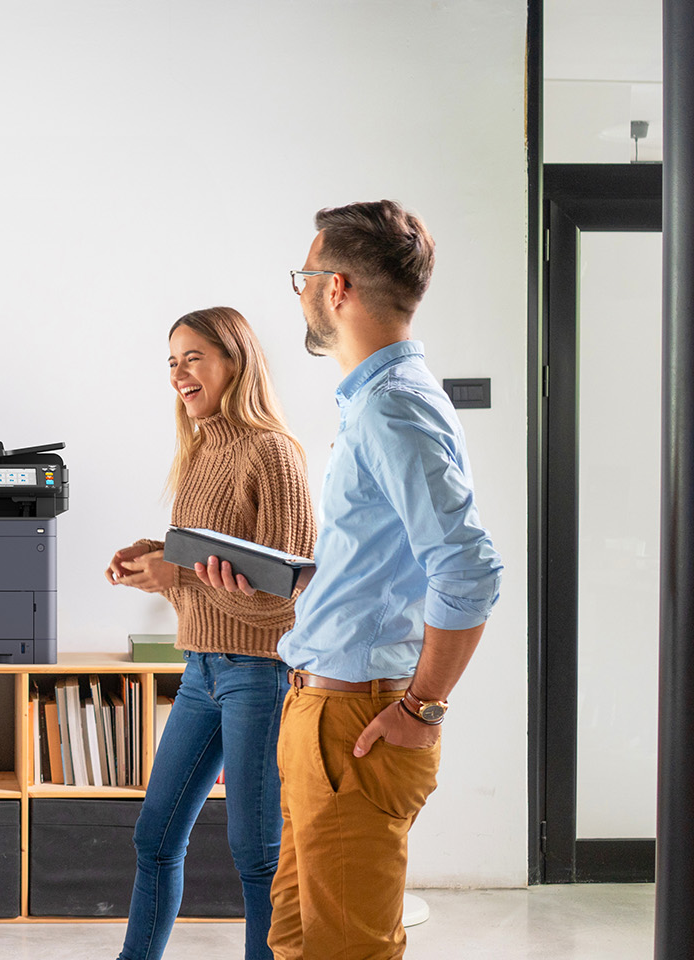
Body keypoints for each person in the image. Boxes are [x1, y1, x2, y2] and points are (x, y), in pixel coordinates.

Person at [230, 200, 502, 958]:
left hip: (358, 725)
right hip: (320, 712)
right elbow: (387, 570)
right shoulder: (376, 404)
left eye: (305, 277)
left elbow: (468, 569)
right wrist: (281, 581)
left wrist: (424, 706)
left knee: (346, 949)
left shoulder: (393, 409)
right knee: (295, 937)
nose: (300, 293)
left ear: (337, 286)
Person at [105, 307, 316, 960]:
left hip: (260, 672)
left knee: (256, 856)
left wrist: (180, 573)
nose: (178, 374)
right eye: (172, 362)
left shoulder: (273, 453)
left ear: (236, 360)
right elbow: (204, 557)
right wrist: (153, 557)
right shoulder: (199, 451)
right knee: (155, 838)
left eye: (192, 358)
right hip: (200, 671)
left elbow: (290, 600)